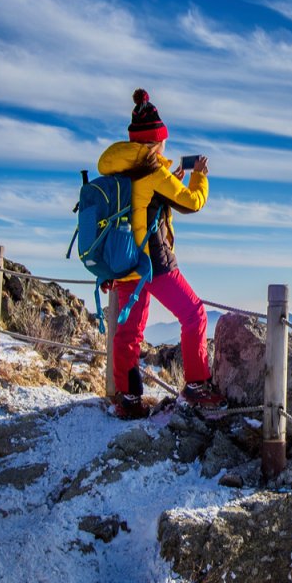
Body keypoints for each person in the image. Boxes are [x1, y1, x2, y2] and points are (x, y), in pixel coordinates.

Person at [98, 88, 224, 419]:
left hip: (124, 259)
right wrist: (199, 177)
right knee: (194, 314)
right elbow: (192, 202)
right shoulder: (154, 172)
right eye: (163, 141)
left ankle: (126, 399)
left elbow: (143, 202)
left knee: (129, 331)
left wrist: (171, 179)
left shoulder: (120, 169)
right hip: (153, 261)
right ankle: (197, 385)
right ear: (156, 141)